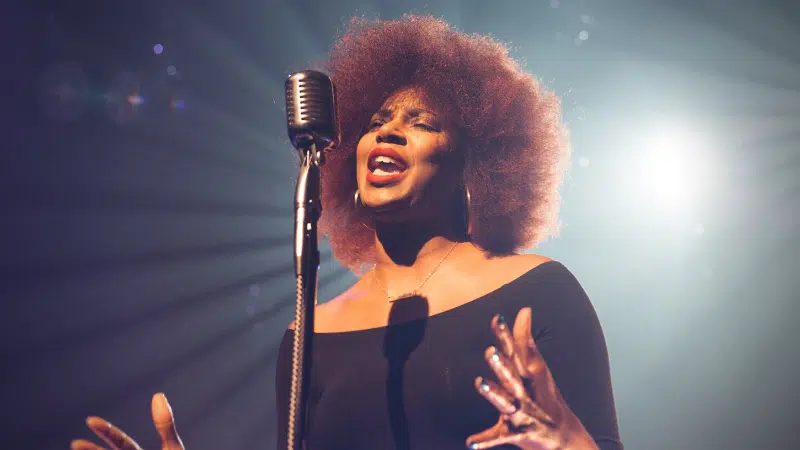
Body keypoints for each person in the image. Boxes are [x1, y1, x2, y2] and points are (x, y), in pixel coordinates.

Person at [70, 14, 622, 450]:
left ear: (471, 171)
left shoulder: (539, 290)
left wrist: (569, 444)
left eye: (422, 123)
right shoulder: (308, 333)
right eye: (377, 121)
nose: (391, 132)